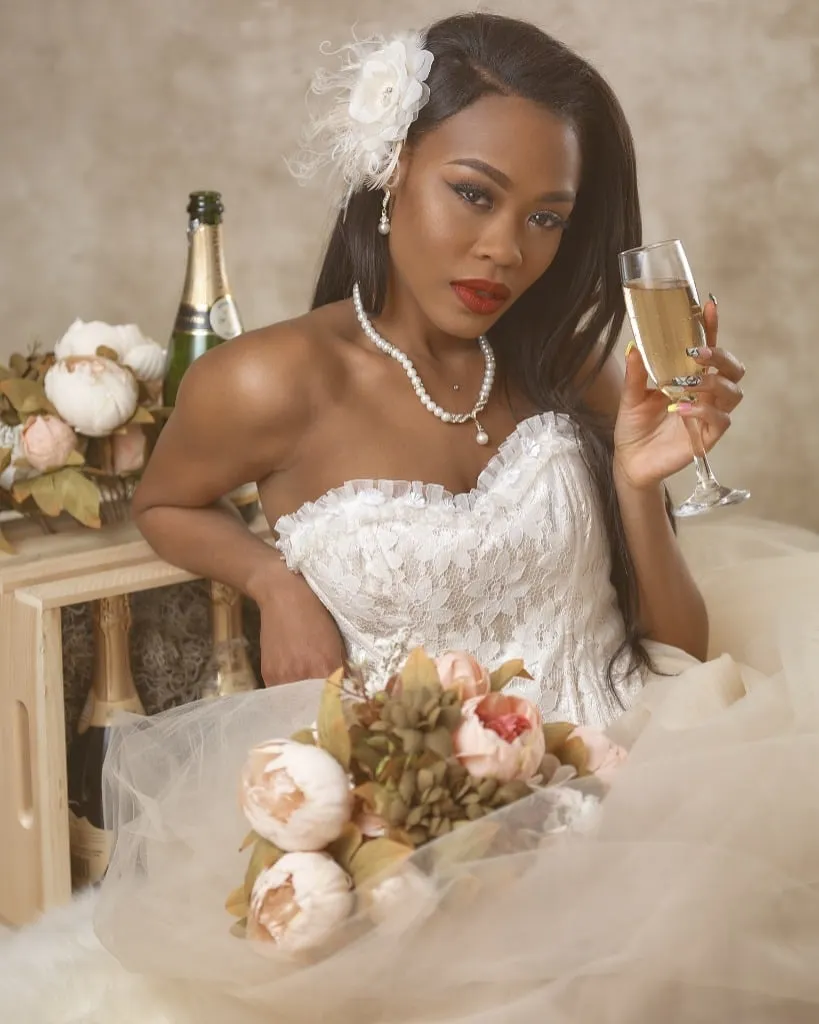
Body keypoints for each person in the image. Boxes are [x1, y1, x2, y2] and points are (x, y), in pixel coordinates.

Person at [4, 12, 819, 1024]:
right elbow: (168, 500)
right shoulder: (269, 380)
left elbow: (676, 647)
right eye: (473, 194)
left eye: (546, 218)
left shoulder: (563, 362)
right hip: (425, 820)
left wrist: (639, 485)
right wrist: (270, 576)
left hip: (645, 762)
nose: (504, 250)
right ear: (392, 170)